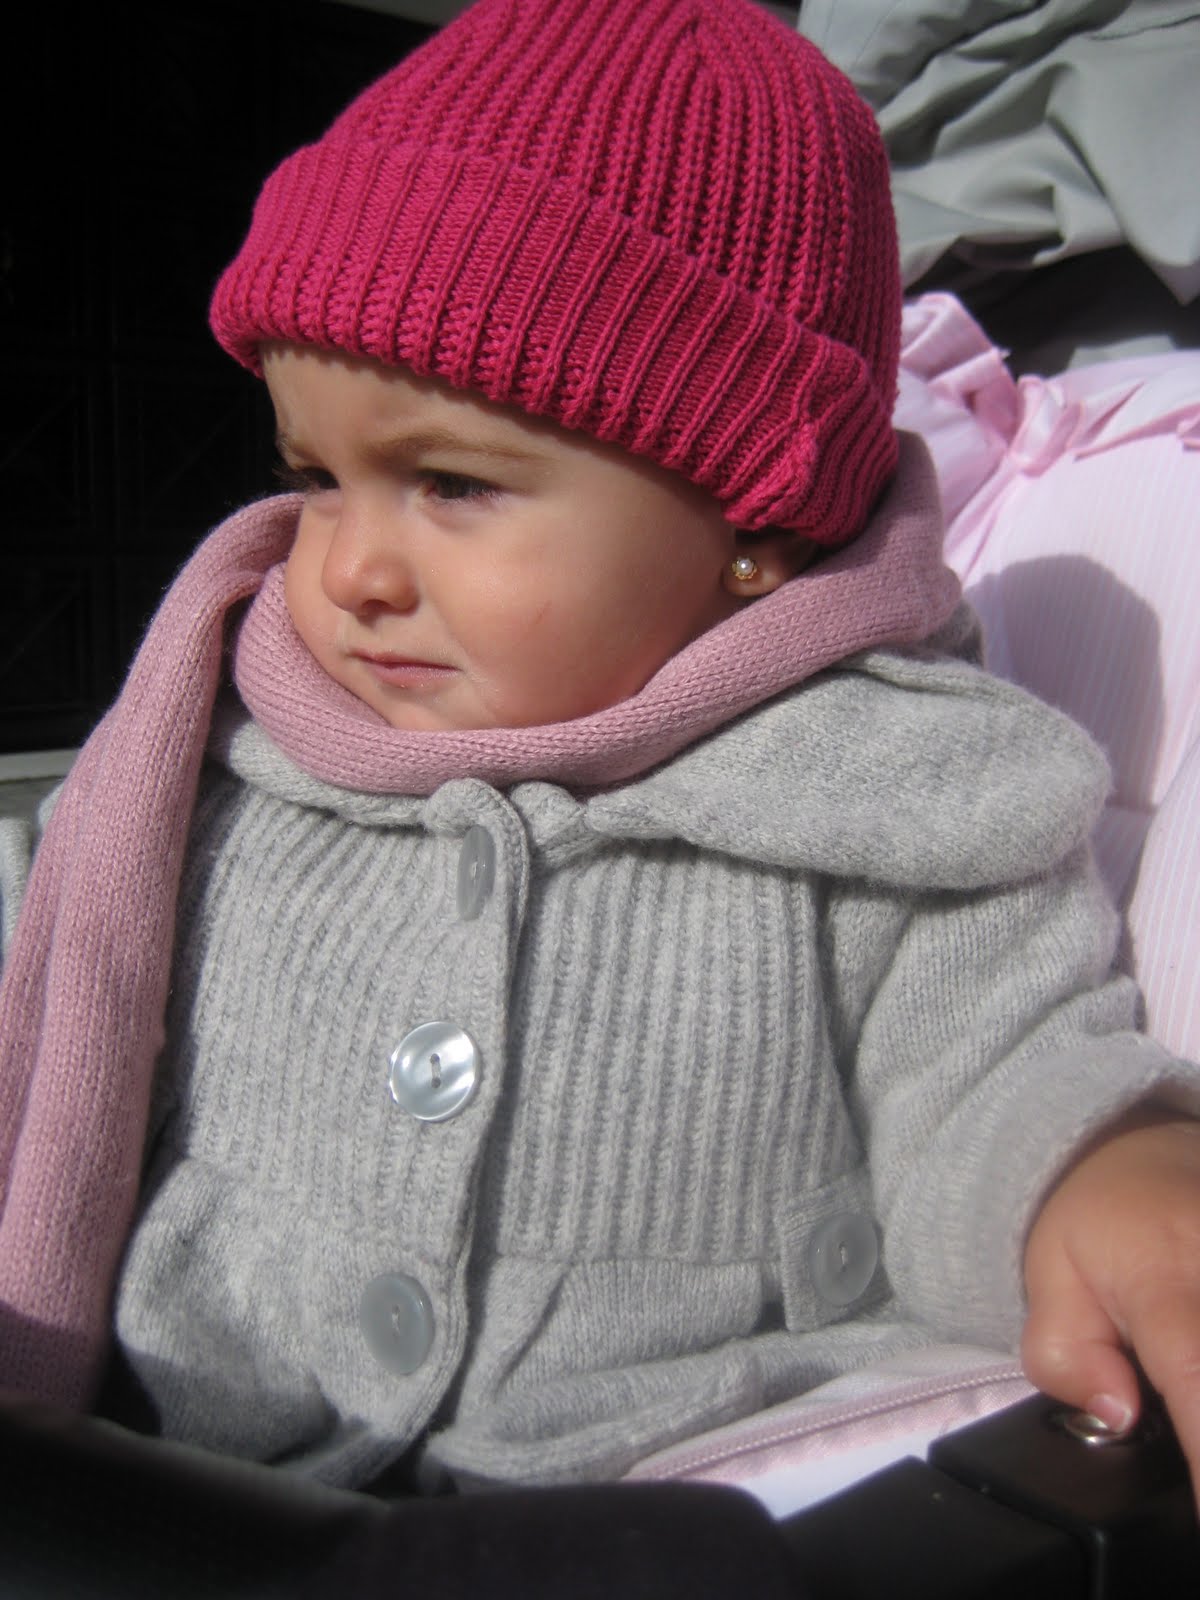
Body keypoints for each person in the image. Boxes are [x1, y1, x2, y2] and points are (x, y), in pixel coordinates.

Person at [2, 0, 1199, 1504]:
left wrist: (1105, 1168)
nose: (349, 569)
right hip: (165, 1482)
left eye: (450, 482)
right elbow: (67, 1015)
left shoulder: (896, 794)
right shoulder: (216, 760)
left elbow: (998, 1077)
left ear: (752, 514)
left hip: (670, 1497)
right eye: (316, 476)